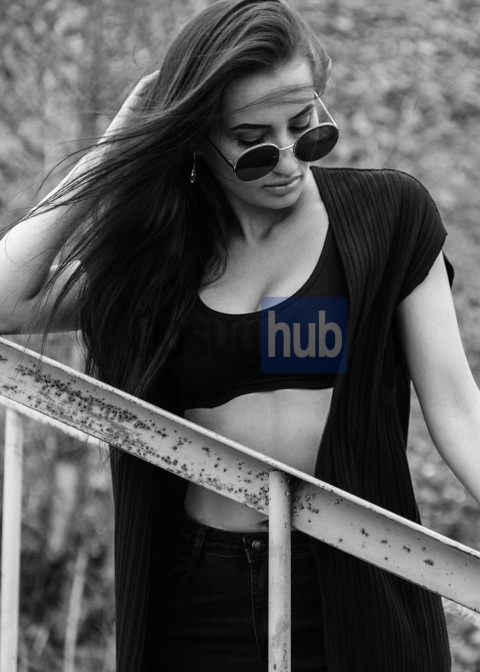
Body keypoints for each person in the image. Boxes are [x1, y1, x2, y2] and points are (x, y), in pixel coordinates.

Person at [1, 0, 480, 670]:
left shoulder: (388, 218)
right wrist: (116, 149)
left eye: (306, 130)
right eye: (253, 143)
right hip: (202, 586)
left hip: (360, 573)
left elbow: (458, 409)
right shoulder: (163, 256)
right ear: (197, 139)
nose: (286, 161)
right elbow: (6, 301)